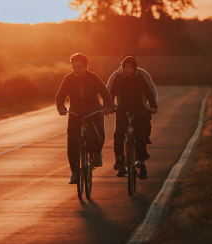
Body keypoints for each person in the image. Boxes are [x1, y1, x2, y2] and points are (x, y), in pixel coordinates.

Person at [55, 53, 113, 184]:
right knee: (72, 143)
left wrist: (107, 107)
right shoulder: (68, 79)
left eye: (79, 67)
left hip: (94, 112)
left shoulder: (94, 78)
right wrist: (61, 108)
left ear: (86, 67)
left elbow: (105, 93)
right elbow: (60, 96)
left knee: (99, 136)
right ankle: (75, 172)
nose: (76, 69)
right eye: (74, 67)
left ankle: (96, 153)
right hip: (75, 114)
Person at [105, 54, 159, 179]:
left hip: (138, 111)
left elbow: (149, 92)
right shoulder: (118, 77)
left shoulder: (140, 77)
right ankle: (119, 159)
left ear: (135, 68)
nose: (128, 69)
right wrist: (109, 106)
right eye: (125, 67)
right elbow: (111, 92)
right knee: (118, 135)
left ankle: (141, 162)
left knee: (139, 137)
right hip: (122, 111)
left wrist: (153, 106)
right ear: (122, 67)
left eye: (130, 67)